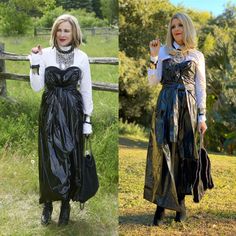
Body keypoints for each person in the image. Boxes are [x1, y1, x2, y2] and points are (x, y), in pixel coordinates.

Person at [29, 14, 93, 226]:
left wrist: (87, 120)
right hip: (50, 113)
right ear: (54, 32)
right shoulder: (44, 54)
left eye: (67, 30)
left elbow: (86, 90)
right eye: (59, 30)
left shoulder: (82, 57)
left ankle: (66, 204)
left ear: (74, 33)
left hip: (73, 114)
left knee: (70, 157)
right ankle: (48, 203)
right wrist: (35, 62)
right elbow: (37, 87)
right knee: (49, 158)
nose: (63, 34)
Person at [143, 12, 207, 226]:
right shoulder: (162, 52)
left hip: (188, 107)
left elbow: (200, 87)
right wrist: (153, 57)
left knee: (184, 153)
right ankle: (160, 206)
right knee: (164, 152)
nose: (176, 29)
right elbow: (153, 82)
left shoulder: (197, 55)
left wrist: (202, 116)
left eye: (180, 25)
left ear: (187, 27)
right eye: (173, 26)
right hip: (166, 106)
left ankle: (180, 203)